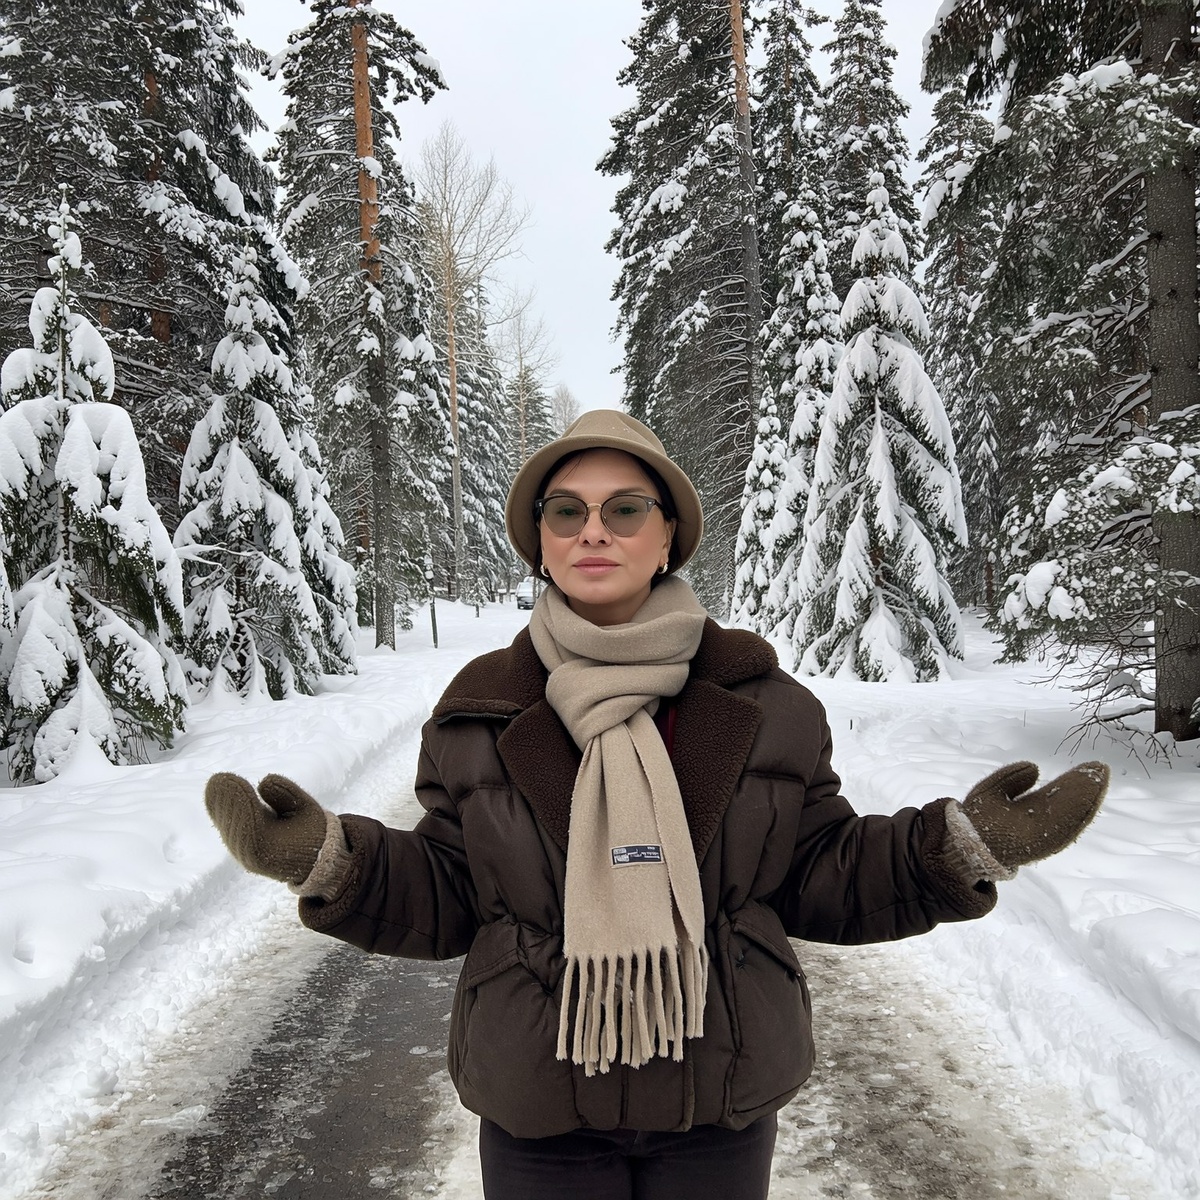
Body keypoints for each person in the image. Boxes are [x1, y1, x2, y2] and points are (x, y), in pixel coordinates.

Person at [204, 410, 1109, 1200]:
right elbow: (448, 887)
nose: (594, 530)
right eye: (567, 511)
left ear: (668, 534)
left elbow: (821, 871)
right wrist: (333, 862)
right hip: (538, 1098)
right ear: (541, 541)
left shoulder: (767, 705)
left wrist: (959, 847)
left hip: (719, 1093)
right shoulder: (479, 708)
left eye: (625, 509)